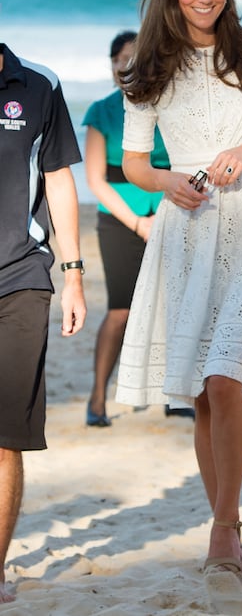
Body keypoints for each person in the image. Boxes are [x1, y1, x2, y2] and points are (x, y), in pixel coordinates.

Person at [115, 0, 242, 609]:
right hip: (187, 223)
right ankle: (225, 521)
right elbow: (135, 163)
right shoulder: (149, 65)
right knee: (199, 388)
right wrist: (168, 181)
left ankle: (225, 531)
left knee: (226, 376)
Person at [0, 43, 87, 603]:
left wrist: (74, 272)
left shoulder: (38, 83)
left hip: (20, 277)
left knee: (5, 435)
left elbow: (56, 179)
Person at [83, 31, 193, 426]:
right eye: (121, 59)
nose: (127, 67)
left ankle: (174, 395)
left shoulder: (170, 107)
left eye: (135, 59)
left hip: (171, 212)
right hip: (118, 218)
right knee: (120, 310)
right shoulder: (101, 111)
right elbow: (95, 180)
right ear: (112, 65)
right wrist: (136, 222)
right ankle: (97, 399)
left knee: (173, 305)